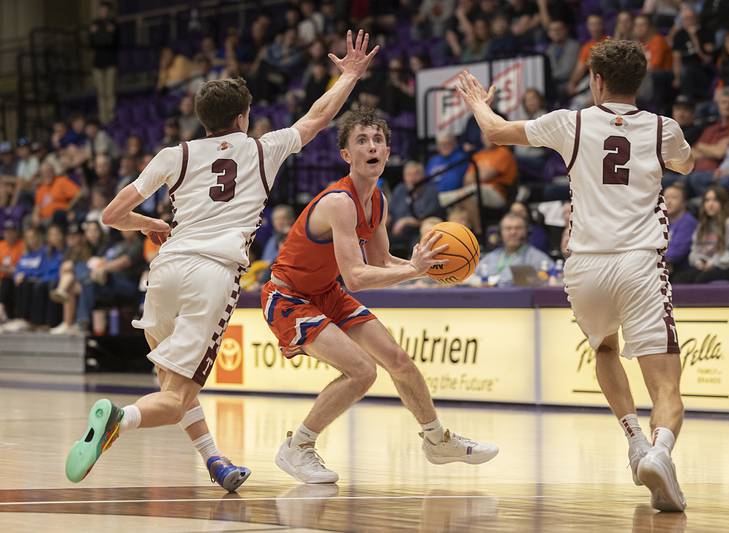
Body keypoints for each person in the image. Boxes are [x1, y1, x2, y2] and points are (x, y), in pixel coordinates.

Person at [64, 30, 380, 493]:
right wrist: (349, 74)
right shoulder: (261, 148)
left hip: (164, 271)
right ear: (242, 117)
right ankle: (120, 418)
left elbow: (112, 215)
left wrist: (150, 225)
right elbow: (317, 117)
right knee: (172, 398)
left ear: (203, 120)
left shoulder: (175, 154)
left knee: (172, 381)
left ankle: (214, 460)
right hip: (211, 274)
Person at [456, 39, 694, 512]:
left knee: (604, 348)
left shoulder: (572, 121)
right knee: (666, 386)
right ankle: (660, 450)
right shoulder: (663, 128)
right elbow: (686, 164)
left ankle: (633, 442)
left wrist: (479, 103)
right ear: (638, 82)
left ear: (597, 81)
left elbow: (498, 132)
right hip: (640, 261)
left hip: (585, 263)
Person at [262, 107, 498, 484]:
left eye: (378, 140)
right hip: (288, 298)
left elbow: (381, 260)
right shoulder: (339, 202)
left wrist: (431, 268)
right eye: (361, 140)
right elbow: (356, 277)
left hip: (325, 292)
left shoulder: (379, 201)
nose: (371, 146)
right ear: (346, 155)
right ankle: (298, 447)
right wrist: (414, 271)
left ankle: (437, 440)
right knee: (362, 371)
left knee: (399, 361)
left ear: (388, 152)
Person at [672, 186, 729, 284]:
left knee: (703, 279)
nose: (710, 205)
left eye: (715, 200)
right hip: (707, 267)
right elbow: (694, 251)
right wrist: (698, 261)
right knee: (680, 278)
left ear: (723, 203)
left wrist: (716, 262)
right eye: (707, 200)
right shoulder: (702, 225)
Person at [474, 213, 553, 286]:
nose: (513, 232)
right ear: (500, 232)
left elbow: (554, 280)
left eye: (518, 228)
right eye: (508, 228)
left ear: (526, 231)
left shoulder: (539, 258)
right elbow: (472, 277)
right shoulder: (490, 258)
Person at [88, 1, 118, 124]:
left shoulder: (113, 24)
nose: (103, 12)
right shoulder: (94, 25)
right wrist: (96, 35)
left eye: (106, 10)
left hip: (110, 61)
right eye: (102, 10)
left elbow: (112, 43)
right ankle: (103, 118)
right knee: (100, 92)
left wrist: (105, 35)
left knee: (110, 91)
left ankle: (111, 116)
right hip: (98, 63)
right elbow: (92, 44)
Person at [663, 183, 697, 275]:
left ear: (684, 203)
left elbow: (676, 254)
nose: (668, 202)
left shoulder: (688, 222)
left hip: (683, 271)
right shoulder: (662, 221)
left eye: (674, 198)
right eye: (666, 198)